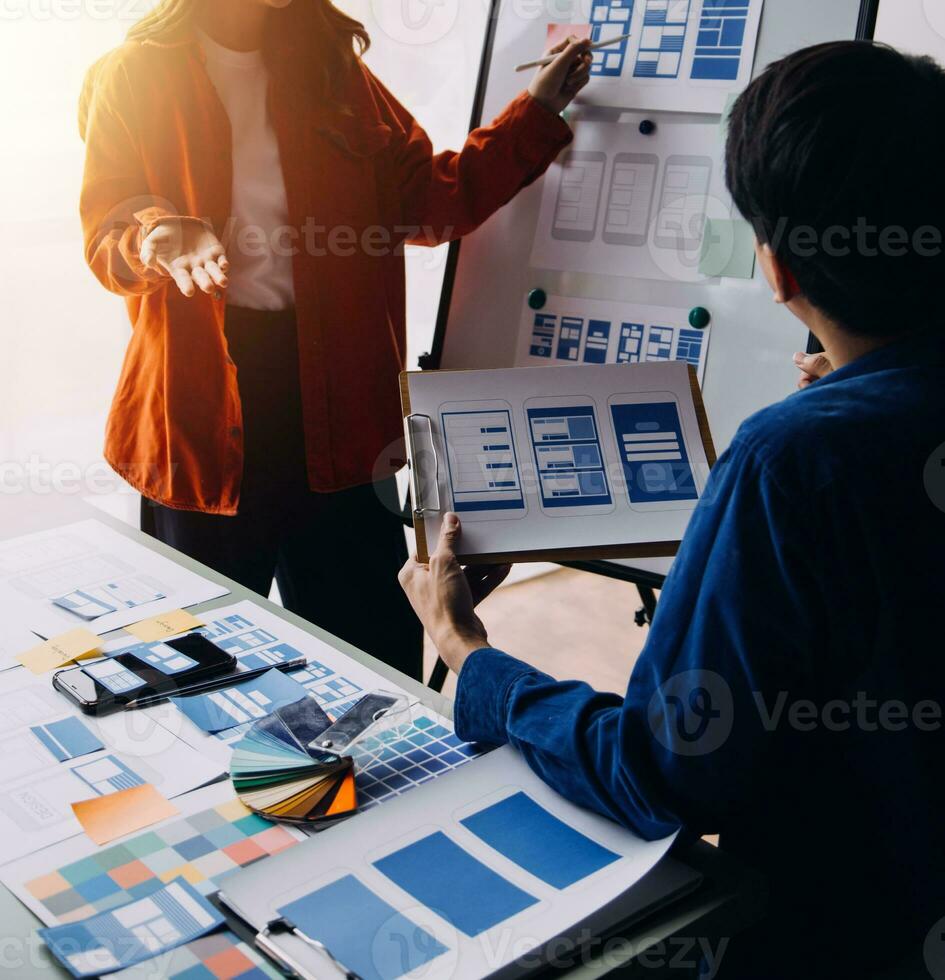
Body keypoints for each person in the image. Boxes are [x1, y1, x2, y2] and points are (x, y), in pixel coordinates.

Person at [400, 41, 945, 977]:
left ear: (774, 273)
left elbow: (664, 773)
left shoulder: (790, 462)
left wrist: (466, 651)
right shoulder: (831, 443)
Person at [78, 0, 591, 680]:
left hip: (341, 412)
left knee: (371, 672)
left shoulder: (332, 71)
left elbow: (434, 201)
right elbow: (107, 231)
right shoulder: (133, 74)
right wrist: (155, 234)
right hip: (198, 418)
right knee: (193, 676)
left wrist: (534, 112)